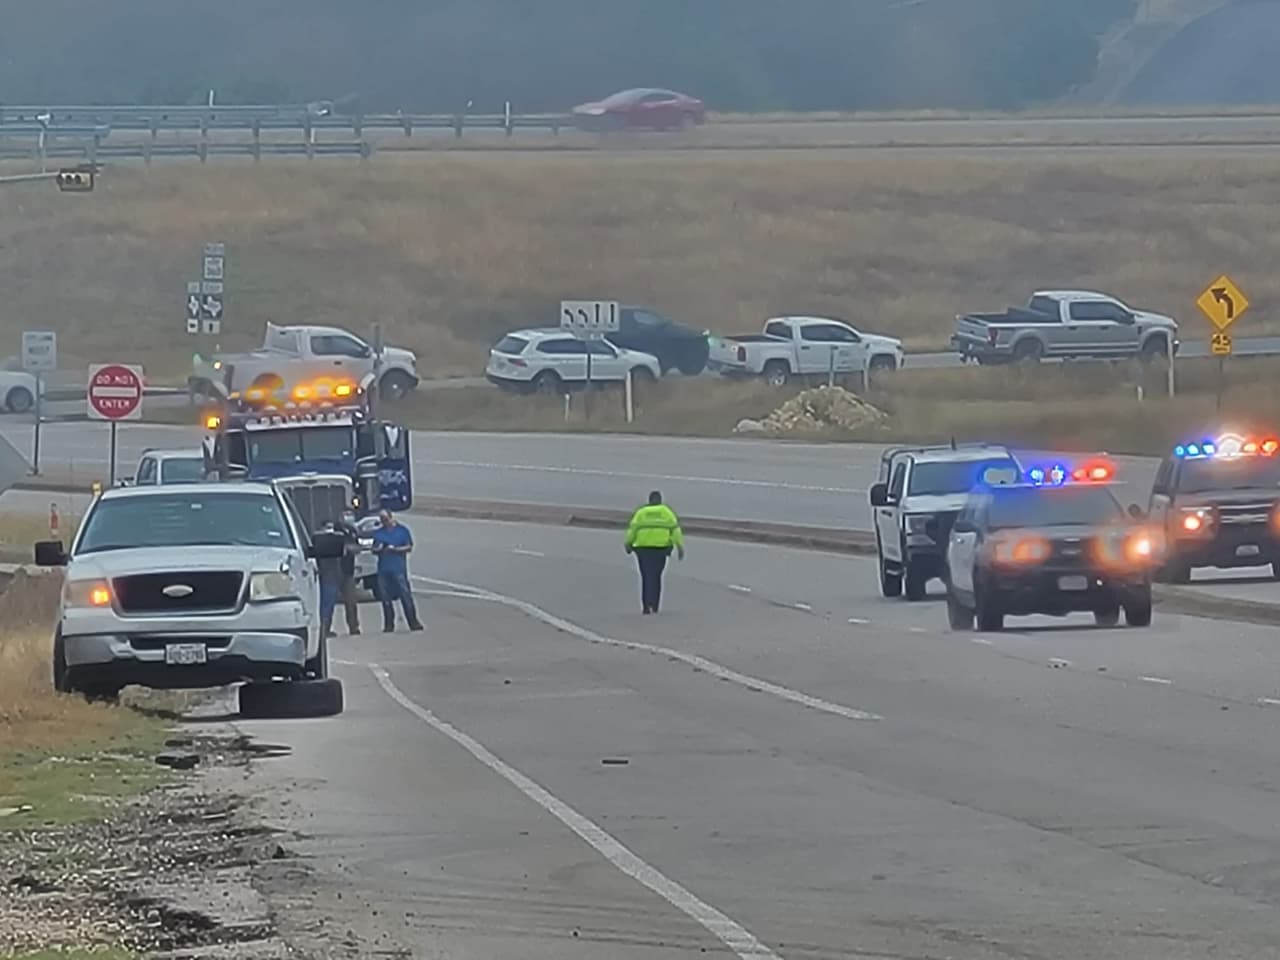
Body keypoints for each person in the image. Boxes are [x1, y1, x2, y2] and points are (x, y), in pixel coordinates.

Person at [624, 490, 685, 615]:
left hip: (643, 549)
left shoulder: (641, 513)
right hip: (660, 549)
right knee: (656, 576)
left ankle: (646, 605)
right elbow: (675, 530)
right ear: (660, 500)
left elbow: (632, 530)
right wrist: (680, 547)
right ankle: (655, 605)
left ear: (649, 501)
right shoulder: (666, 512)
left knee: (646, 576)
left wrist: (628, 544)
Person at [372, 509, 423, 632]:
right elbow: (374, 549)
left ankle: (413, 621)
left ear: (391, 518)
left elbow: (409, 546)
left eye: (385, 519)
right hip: (383, 569)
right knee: (385, 598)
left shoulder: (402, 531)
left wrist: (395, 549)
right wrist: (379, 549)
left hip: (398, 568)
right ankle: (389, 624)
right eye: (381, 520)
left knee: (405, 595)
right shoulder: (379, 533)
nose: (383, 522)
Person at [315, 521, 344, 640]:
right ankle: (323, 630)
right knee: (325, 606)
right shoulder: (319, 542)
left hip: (332, 577)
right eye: (327, 527)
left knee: (329, 605)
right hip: (324, 578)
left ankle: (326, 629)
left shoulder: (335, 542)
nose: (330, 530)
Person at [336, 509, 362, 636]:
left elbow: (357, 548)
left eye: (350, 515)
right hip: (334, 572)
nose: (348, 518)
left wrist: (350, 548)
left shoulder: (352, 531)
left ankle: (354, 627)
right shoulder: (335, 530)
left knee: (351, 602)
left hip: (348, 571)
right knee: (328, 603)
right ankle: (325, 628)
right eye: (345, 515)